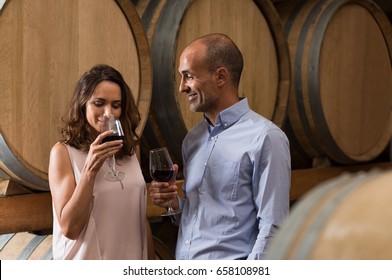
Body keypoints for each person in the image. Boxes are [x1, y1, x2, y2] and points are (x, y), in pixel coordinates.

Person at [150, 33, 291, 260]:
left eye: (188, 76)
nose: (181, 88)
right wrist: (173, 202)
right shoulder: (192, 140)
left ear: (221, 76)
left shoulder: (266, 138)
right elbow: (199, 212)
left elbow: (274, 227)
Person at [48, 64, 148, 259]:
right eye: (99, 103)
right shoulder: (63, 152)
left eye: (116, 105)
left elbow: (140, 219)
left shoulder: (130, 150)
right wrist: (90, 170)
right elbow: (69, 228)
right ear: (83, 103)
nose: (108, 112)